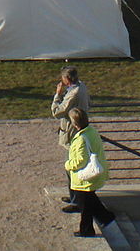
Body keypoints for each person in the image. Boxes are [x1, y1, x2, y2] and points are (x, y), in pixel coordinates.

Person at [64, 108, 115, 238]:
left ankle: (86, 230)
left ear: (75, 124)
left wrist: (68, 165)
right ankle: (106, 218)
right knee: (90, 200)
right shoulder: (92, 131)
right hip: (94, 173)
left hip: (85, 177)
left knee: (85, 206)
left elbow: (80, 160)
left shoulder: (81, 138)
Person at [51, 66, 90, 211]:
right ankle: (74, 196)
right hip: (78, 127)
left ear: (67, 79)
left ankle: (76, 201)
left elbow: (57, 112)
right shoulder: (82, 86)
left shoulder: (73, 93)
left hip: (72, 131)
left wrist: (57, 95)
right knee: (73, 167)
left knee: (72, 168)